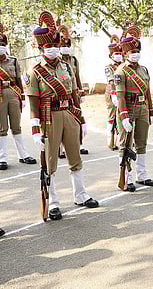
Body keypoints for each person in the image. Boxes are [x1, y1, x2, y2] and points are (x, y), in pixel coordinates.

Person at [26, 11, 98, 220]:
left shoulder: (67, 66)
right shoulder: (36, 71)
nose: (53, 50)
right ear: (42, 48)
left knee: (75, 157)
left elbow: (74, 94)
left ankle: (81, 194)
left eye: (55, 46)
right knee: (50, 162)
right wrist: (35, 129)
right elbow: (33, 102)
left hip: (69, 113)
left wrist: (82, 119)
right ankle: (54, 202)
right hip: (50, 117)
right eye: (48, 47)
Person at [115, 25, 153, 192]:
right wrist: (124, 116)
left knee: (141, 143)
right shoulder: (121, 72)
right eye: (132, 51)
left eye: (137, 50)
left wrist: (151, 111)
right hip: (129, 108)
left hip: (142, 108)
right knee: (126, 144)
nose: (135, 53)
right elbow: (120, 96)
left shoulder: (143, 69)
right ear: (125, 53)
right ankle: (127, 178)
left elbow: (148, 92)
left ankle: (142, 174)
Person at [0, 23, 36, 169]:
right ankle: (2, 158)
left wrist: (22, 96)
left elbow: (19, 80)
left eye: (2, 44)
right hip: (0, 96)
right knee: (2, 128)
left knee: (16, 126)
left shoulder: (13, 60)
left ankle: (23, 155)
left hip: (14, 94)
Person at [58, 25, 89, 156]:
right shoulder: (57, 60)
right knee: (62, 122)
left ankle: (78, 144)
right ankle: (61, 148)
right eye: (63, 44)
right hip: (60, 95)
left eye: (68, 44)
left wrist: (80, 92)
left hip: (73, 94)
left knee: (76, 118)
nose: (66, 47)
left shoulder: (73, 60)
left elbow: (77, 76)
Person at [104, 34, 123, 150]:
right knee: (112, 117)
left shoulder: (124, 66)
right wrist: (114, 95)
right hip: (111, 93)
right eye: (116, 54)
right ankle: (110, 141)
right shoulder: (108, 67)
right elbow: (111, 81)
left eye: (120, 54)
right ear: (111, 55)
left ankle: (122, 140)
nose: (119, 56)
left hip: (122, 93)